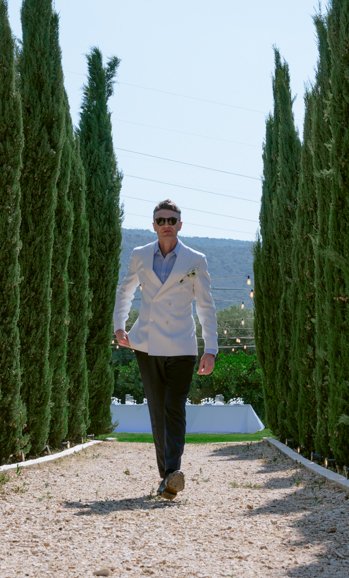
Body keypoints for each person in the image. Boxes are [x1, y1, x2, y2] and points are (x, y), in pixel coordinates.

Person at [113, 199, 218, 500]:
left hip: (183, 345)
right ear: (154, 225)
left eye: (171, 220)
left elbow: (206, 306)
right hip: (147, 344)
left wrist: (210, 348)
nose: (166, 225)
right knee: (157, 410)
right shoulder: (140, 254)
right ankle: (167, 478)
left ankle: (172, 472)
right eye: (161, 220)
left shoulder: (195, 259)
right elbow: (125, 290)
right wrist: (119, 324)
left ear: (180, 225)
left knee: (174, 407)